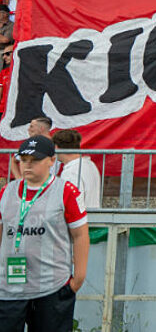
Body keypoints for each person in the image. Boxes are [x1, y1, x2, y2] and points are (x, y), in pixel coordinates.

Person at [0, 135, 89, 331]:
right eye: (23, 160)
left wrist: (78, 279)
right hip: (9, 288)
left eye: (35, 160)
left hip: (51, 286)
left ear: (51, 160)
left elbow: (80, 235)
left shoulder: (66, 191)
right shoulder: (6, 192)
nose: (28, 165)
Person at [51, 130, 102, 211]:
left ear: (56, 147)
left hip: (80, 220)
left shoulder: (70, 172)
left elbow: (72, 204)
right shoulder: (90, 164)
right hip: (92, 217)